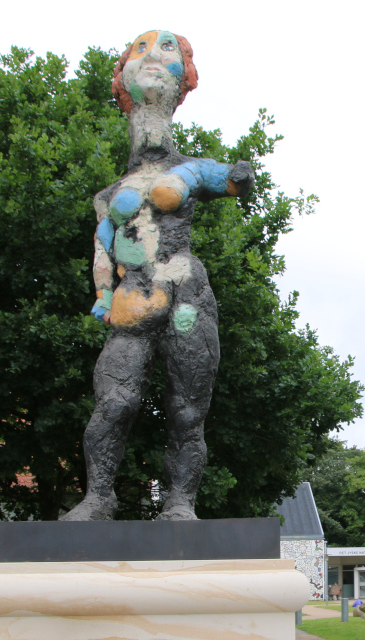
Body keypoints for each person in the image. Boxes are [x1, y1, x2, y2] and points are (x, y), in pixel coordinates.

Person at [62, 30, 253, 522]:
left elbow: (236, 181)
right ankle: (99, 498)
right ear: (122, 78)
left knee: (188, 411)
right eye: (140, 50)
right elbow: (102, 250)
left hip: (186, 295)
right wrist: (102, 293)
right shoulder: (109, 195)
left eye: (168, 49)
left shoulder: (193, 169)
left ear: (184, 79)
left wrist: (241, 176)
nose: (152, 56)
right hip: (131, 300)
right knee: (113, 403)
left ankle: (181, 504)